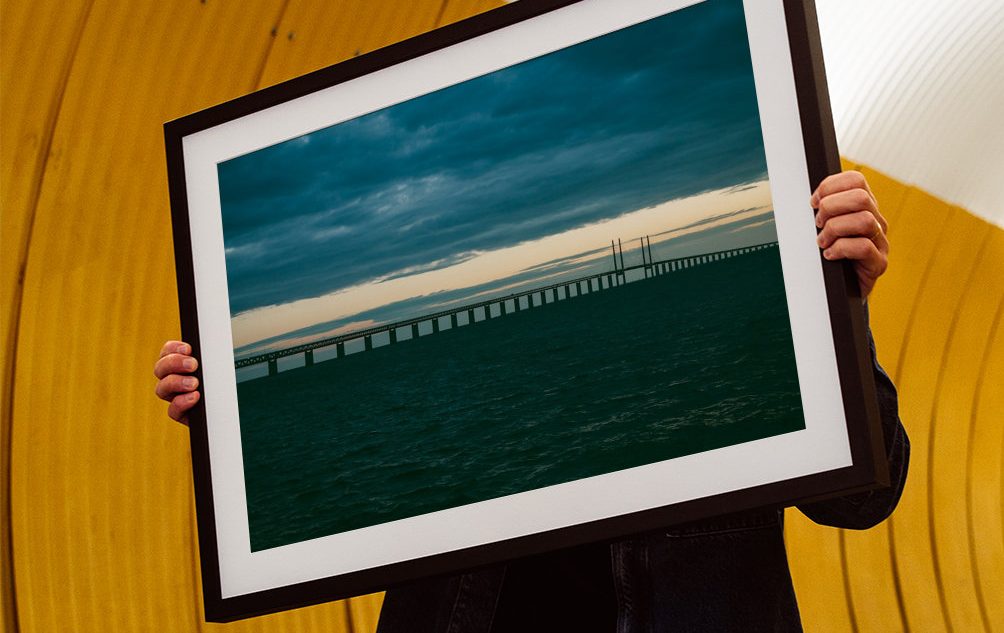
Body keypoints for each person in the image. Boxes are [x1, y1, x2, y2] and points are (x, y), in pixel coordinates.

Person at [155, 170, 909, 631]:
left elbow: (864, 498)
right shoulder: (441, 414)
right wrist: (232, 416)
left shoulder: (771, 313)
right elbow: (326, 487)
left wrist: (839, 304)